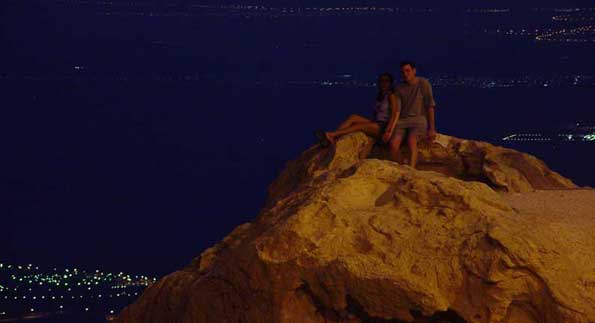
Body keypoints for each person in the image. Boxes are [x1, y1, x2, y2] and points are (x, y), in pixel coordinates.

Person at [315, 72, 400, 147]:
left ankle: (331, 134)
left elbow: (394, 114)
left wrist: (388, 131)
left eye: (386, 81)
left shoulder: (391, 96)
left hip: (383, 126)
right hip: (376, 122)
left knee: (358, 126)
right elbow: (376, 113)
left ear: (390, 83)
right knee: (353, 117)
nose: (383, 83)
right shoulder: (380, 96)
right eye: (381, 81)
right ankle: (333, 137)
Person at [389, 61, 437, 168]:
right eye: (403, 72)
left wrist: (432, 128)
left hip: (418, 120)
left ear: (414, 71)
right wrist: (390, 130)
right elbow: (397, 111)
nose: (405, 73)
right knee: (393, 144)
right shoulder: (399, 88)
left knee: (412, 141)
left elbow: (430, 106)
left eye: (408, 71)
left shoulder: (423, 83)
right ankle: (403, 167)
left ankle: (411, 170)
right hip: (402, 121)